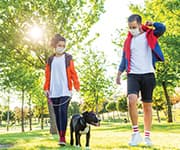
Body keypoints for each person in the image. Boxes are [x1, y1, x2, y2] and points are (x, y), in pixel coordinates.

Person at [116, 14, 166, 146]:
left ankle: (147, 136)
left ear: (139, 24)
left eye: (134, 26)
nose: (132, 29)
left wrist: (153, 23)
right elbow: (123, 58)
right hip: (133, 74)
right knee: (131, 100)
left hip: (148, 74)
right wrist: (119, 73)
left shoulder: (150, 34)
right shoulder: (128, 41)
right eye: (129, 27)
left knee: (147, 106)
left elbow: (162, 28)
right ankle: (135, 133)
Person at [44, 34, 80, 146]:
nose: (62, 47)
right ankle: (61, 137)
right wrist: (46, 88)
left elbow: (73, 73)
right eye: (59, 45)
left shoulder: (68, 58)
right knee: (57, 114)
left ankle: (63, 137)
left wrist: (76, 85)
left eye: (64, 45)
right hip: (54, 91)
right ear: (54, 46)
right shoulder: (50, 60)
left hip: (65, 90)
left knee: (62, 112)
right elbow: (47, 75)